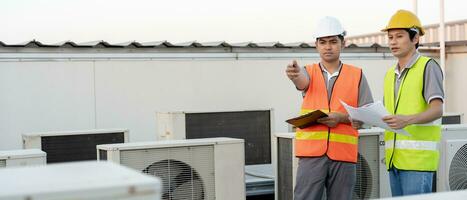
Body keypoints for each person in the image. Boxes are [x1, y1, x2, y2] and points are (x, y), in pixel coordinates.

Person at [285, 16, 373, 200]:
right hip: (311, 155)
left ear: (343, 43)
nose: (328, 47)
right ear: (316, 45)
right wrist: (294, 74)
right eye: (323, 42)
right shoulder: (307, 72)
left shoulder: (356, 75)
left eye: (333, 41)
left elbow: (368, 116)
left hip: (344, 156)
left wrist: (341, 118)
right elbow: (302, 82)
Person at [381, 10, 444, 196]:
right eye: (390, 37)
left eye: (399, 36)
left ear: (415, 38)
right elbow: (388, 114)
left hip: (418, 163)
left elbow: (437, 109)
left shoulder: (428, 66)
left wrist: (406, 120)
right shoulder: (389, 75)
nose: (393, 41)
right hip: (393, 160)